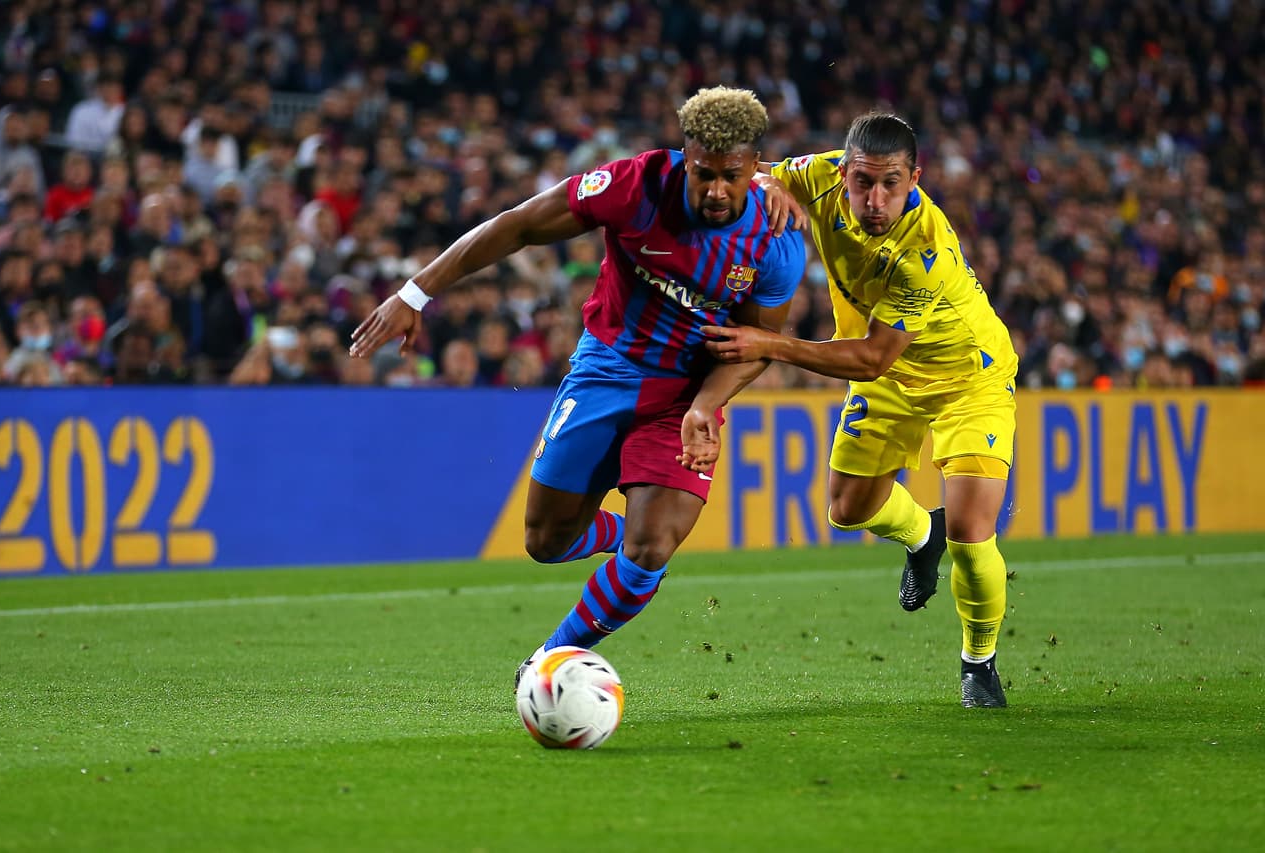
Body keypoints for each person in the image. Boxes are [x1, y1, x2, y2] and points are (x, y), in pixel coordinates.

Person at [349, 86, 806, 682]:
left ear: (755, 167)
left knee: (652, 550)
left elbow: (755, 346)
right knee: (544, 540)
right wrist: (415, 293)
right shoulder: (634, 187)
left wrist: (706, 406)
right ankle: (617, 530)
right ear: (684, 156)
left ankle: (549, 659)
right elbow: (518, 227)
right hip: (607, 370)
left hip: (685, 396)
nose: (717, 190)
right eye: (703, 174)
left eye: (733, 176)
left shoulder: (776, 244)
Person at [703, 112, 1018, 708]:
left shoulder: (924, 249)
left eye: (892, 185)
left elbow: (872, 357)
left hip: (965, 379)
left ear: (915, 178)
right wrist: (767, 185)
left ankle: (979, 661)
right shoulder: (818, 175)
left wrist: (771, 344)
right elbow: (749, 170)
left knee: (974, 538)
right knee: (847, 509)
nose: (875, 200)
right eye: (863, 182)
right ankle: (924, 537)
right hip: (893, 376)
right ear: (844, 171)